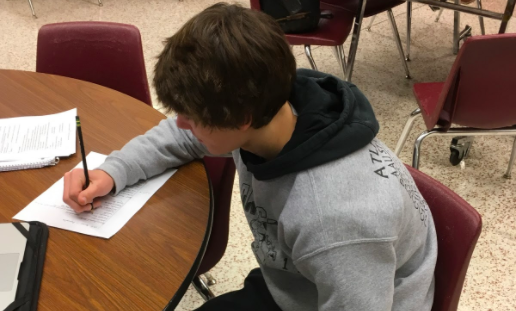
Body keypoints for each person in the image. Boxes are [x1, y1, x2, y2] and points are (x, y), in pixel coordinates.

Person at [62, 3, 437, 310]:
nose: (181, 123)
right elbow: (182, 136)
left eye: (191, 117)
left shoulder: (335, 220)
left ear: (240, 121)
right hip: (299, 283)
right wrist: (113, 171)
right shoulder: (275, 103)